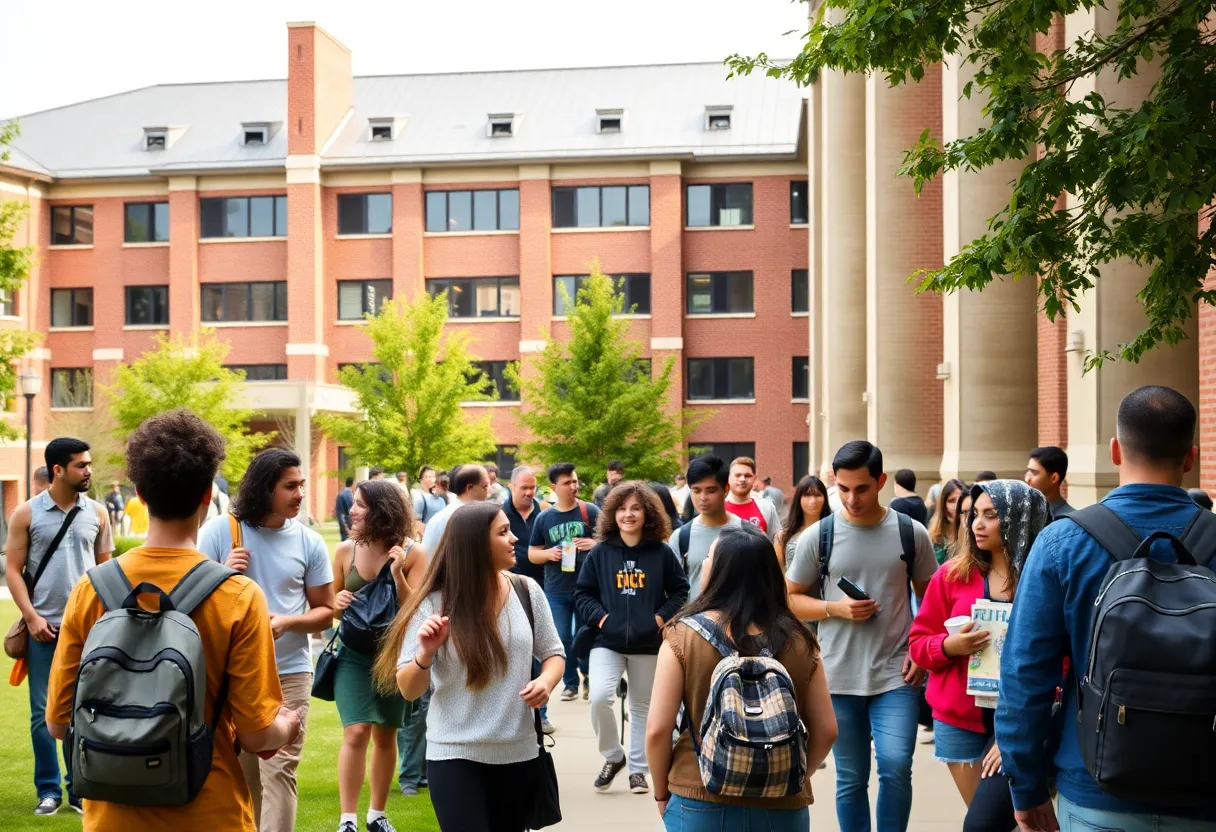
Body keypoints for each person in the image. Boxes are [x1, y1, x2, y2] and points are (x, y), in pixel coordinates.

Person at [42, 410, 300, 831]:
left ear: (139, 493)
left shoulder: (91, 589)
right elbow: (256, 735)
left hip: (111, 817)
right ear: (206, 495)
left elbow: (57, 723)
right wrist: (286, 726)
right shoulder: (237, 595)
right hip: (210, 812)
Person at [998, 386, 1216, 831]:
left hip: (1094, 787)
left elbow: (1024, 675)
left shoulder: (1063, 542)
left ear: (1115, 450)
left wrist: (1026, 788)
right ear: (1191, 456)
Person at [376, 502, 565, 832]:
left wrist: (547, 681)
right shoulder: (432, 603)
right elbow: (408, 688)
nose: (514, 538)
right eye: (503, 532)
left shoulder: (526, 591)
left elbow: (554, 653)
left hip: (518, 753)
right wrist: (425, 653)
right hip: (454, 754)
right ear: (475, 542)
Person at [785, 440, 937, 832]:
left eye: (862, 488)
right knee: (851, 778)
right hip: (838, 676)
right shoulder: (818, 536)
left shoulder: (910, 532)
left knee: (896, 766)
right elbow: (790, 598)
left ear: (881, 481)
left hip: (897, 673)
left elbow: (933, 599)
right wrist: (834, 608)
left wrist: (923, 652)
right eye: (843, 488)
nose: (851, 498)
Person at [646, 524, 838, 831]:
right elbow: (827, 729)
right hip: (782, 808)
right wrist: (789, 777)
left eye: (709, 555)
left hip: (699, 797)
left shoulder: (682, 635)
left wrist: (660, 792)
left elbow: (657, 730)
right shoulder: (801, 640)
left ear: (722, 569)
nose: (705, 562)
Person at [197, 448, 335, 832]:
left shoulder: (309, 541)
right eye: (290, 486)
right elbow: (189, 605)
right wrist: (221, 574)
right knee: (243, 776)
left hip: (289, 672)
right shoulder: (220, 532)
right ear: (264, 489)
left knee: (280, 771)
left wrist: (288, 622)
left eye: (301, 485)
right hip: (233, 674)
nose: (300, 494)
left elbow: (326, 610)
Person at [908, 480, 1049, 813]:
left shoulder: (1042, 578)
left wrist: (1018, 728)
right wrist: (950, 646)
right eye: (973, 515)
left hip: (1024, 717)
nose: (977, 525)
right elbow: (917, 645)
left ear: (1018, 519)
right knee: (986, 819)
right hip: (960, 720)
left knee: (1009, 818)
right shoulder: (951, 576)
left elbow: (1062, 658)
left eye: (991, 515)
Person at [4, 437, 114, 817]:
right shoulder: (26, 514)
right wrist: (32, 617)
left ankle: (80, 789)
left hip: (88, 631)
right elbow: (12, 571)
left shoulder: (98, 513)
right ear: (58, 470)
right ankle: (48, 790)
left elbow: (106, 573)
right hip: (44, 630)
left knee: (87, 711)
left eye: (88, 463)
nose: (89, 471)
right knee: (42, 713)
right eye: (81, 465)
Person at [575, 482, 690, 795]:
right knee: (599, 697)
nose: (628, 514)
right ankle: (614, 756)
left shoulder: (661, 553)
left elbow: (680, 592)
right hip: (606, 641)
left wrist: (656, 619)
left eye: (636, 508)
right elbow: (583, 593)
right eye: (622, 508)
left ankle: (638, 771)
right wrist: (602, 618)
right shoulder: (600, 553)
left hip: (648, 644)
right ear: (613, 513)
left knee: (641, 708)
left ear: (647, 513)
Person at [332, 480, 426, 832]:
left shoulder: (414, 552)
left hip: (393, 657)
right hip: (354, 655)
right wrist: (336, 603)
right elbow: (333, 607)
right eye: (353, 503)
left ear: (382, 510)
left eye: (360, 505)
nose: (352, 510)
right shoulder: (344, 551)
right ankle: (347, 820)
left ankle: (377, 814)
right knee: (356, 731)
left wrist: (398, 573)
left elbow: (416, 608)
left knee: (386, 735)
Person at [406, 463, 491, 791]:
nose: (489, 489)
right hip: (453, 613)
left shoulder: (443, 517)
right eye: (485, 484)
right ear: (470, 487)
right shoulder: (455, 519)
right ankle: (426, 766)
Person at [529, 462, 601, 701]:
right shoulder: (544, 518)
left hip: (586, 588)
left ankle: (588, 676)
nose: (574, 486)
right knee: (562, 637)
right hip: (556, 588)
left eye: (575, 481)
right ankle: (570, 683)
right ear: (554, 487)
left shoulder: (589, 512)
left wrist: (594, 544)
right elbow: (532, 553)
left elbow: (611, 543)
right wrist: (550, 554)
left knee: (586, 633)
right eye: (567, 482)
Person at [504, 465, 553, 732]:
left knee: (540, 650)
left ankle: (540, 714)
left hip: (541, 587)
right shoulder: (499, 514)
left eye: (532, 487)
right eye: (523, 487)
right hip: (508, 587)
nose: (528, 492)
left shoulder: (544, 512)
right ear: (512, 487)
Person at [669, 456, 742, 600]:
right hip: (692, 619)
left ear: (726, 489)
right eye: (696, 491)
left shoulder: (746, 532)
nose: (703, 497)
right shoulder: (681, 537)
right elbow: (673, 590)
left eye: (711, 490)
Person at [420, 464, 491, 557]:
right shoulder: (465, 518)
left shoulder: (450, 513)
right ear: (469, 488)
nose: (489, 491)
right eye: (485, 486)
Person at [775, 475, 832, 571]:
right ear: (798, 498)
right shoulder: (784, 535)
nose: (813, 501)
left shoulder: (834, 531)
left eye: (818, 495)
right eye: (807, 495)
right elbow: (779, 571)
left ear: (825, 498)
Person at [724, 457, 781, 540]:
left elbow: (777, 541)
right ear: (729, 478)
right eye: (737, 475)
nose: (742, 479)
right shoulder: (718, 509)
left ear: (754, 478)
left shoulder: (767, 507)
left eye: (747, 476)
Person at [1025, 446, 1075, 519]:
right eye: (1028, 471)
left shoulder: (1070, 520)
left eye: (1034, 472)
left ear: (1054, 478)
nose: (1027, 479)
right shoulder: (1023, 513)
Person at [928, 478, 968, 565]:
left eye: (960, 500)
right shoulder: (935, 536)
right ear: (944, 505)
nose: (957, 505)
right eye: (952, 501)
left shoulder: (974, 532)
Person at [411, 466, 448, 538]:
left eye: (433, 476)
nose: (432, 479)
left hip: (441, 537)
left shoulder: (438, 495)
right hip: (429, 539)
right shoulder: (418, 495)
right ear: (421, 478)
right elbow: (417, 522)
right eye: (428, 476)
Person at [335, 477, 355, 542]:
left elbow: (339, 514)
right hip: (349, 528)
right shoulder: (344, 495)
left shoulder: (341, 495)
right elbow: (340, 514)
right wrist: (347, 529)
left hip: (349, 528)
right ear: (353, 484)